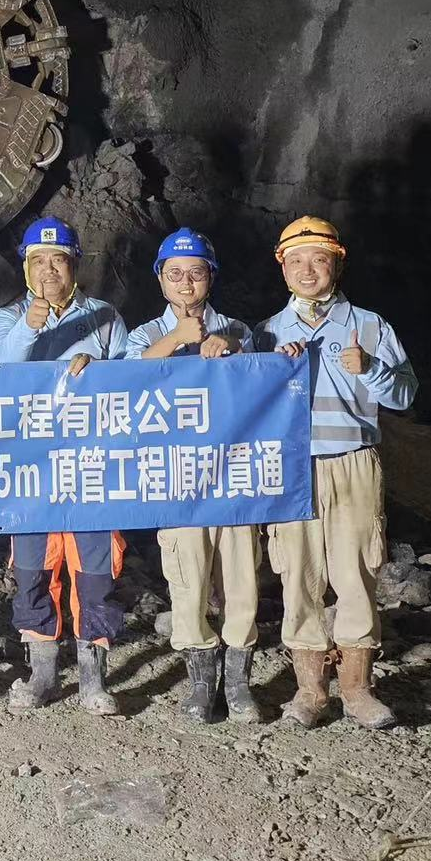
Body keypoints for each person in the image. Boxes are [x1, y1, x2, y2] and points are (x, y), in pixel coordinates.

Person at [256, 216, 417, 730]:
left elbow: (405, 395)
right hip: (292, 465)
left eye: (319, 259)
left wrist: (371, 368)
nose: (307, 270)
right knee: (297, 574)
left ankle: (357, 689)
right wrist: (270, 370)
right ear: (282, 268)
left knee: (357, 573)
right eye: (296, 260)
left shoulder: (370, 325)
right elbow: (249, 407)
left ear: (337, 264)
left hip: (353, 460)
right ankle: (309, 691)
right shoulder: (266, 332)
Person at [0, 216, 129, 715]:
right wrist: (32, 322)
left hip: (91, 468)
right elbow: (2, 365)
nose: (49, 269)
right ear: (25, 267)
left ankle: (93, 679)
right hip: (31, 471)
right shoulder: (7, 319)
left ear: (75, 264)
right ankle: (42, 674)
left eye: (58, 259)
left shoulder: (105, 317)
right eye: (38, 261)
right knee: (34, 568)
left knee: (95, 572)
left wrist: (100, 372)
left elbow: (134, 382)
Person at [124, 228, 261, 723]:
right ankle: (202, 683)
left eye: (196, 273)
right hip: (177, 479)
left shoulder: (239, 330)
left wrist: (233, 348)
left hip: (233, 475)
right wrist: (175, 340)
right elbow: (123, 381)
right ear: (160, 279)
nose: (186, 283)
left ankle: (239, 684)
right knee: (187, 579)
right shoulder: (143, 336)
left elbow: (264, 380)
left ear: (211, 278)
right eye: (175, 273)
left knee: (242, 578)